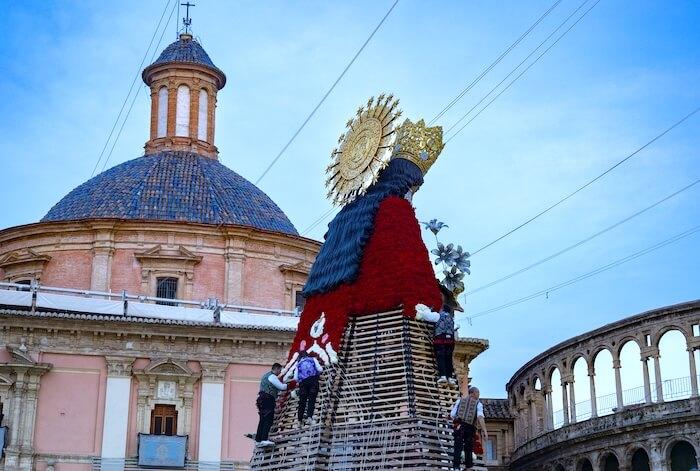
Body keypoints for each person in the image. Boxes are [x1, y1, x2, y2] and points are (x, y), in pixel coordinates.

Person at [416, 283, 463, 385]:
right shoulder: (451, 319)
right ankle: (450, 377)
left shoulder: (438, 316)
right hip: (450, 341)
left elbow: (427, 316)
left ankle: (442, 376)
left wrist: (419, 309)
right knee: (448, 358)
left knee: (440, 357)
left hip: (440, 340)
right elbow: (454, 328)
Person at [450, 386, 487, 470]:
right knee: (468, 448)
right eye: (478, 393)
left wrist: (459, 418)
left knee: (457, 447)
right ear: (472, 393)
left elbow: (452, 414)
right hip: (470, 428)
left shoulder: (460, 400)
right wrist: (485, 431)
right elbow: (480, 416)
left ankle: (456, 467)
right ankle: (468, 467)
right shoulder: (478, 404)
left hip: (459, 426)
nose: (478, 395)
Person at [255, 362, 289, 447]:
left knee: (262, 420)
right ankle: (264, 439)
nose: (279, 372)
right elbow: (281, 387)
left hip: (261, 399)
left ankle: (258, 440)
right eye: (279, 370)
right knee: (268, 419)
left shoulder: (265, 376)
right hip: (267, 399)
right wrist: (290, 385)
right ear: (276, 369)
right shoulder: (272, 376)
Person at [294, 351, 323, 425]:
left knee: (302, 402)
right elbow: (320, 369)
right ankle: (309, 417)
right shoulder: (313, 359)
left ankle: (299, 420)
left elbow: (295, 378)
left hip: (303, 383)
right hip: (313, 381)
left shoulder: (298, 364)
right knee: (311, 399)